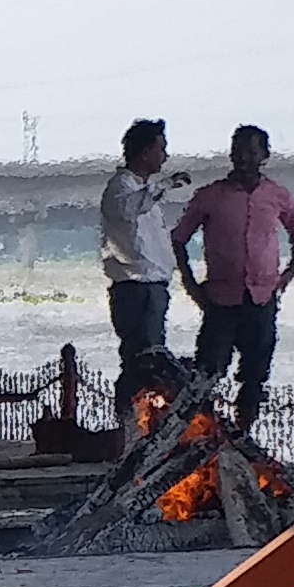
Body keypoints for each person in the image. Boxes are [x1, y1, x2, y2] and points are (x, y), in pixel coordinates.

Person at [172, 123, 294, 432]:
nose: (243, 158)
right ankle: (202, 436)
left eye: (251, 151)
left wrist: (287, 275)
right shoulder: (210, 196)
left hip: (261, 300)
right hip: (220, 300)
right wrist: (191, 285)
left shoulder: (278, 195)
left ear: (265, 155)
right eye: (238, 151)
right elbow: (179, 238)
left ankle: (245, 436)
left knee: (255, 375)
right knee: (207, 373)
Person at [96, 120, 182, 403]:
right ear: (145, 152)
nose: (165, 155)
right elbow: (128, 209)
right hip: (136, 288)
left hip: (153, 286)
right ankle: (129, 421)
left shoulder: (142, 190)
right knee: (140, 361)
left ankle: (143, 420)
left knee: (151, 359)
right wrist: (164, 186)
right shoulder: (120, 188)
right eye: (161, 148)